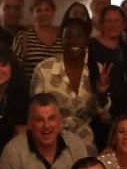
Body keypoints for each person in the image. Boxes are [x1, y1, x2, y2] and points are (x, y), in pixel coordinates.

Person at [0, 93, 91, 169]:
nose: (46, 125)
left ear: (60, 122)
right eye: (39, 120)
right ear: (30, 124)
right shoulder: (13, 150)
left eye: (51, 118)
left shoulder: (75, 144)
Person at [32, 17, 108, 150]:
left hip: (84, 142)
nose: (74, 41)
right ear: (61, 38)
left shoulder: (96, 69)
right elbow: (34, 111)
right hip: (50, 139)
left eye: (79, 36)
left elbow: (101, 114)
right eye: (68, 36)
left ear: (87, 39)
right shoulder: (44, 69)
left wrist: (102, 94)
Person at [13, 0, 63, 76]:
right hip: (30, 84)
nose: (43, 14)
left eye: (47, 9)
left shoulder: (62, 38)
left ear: (53, 13)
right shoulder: (23, 38)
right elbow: (15, 69)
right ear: (32, 14)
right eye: (38, 10)